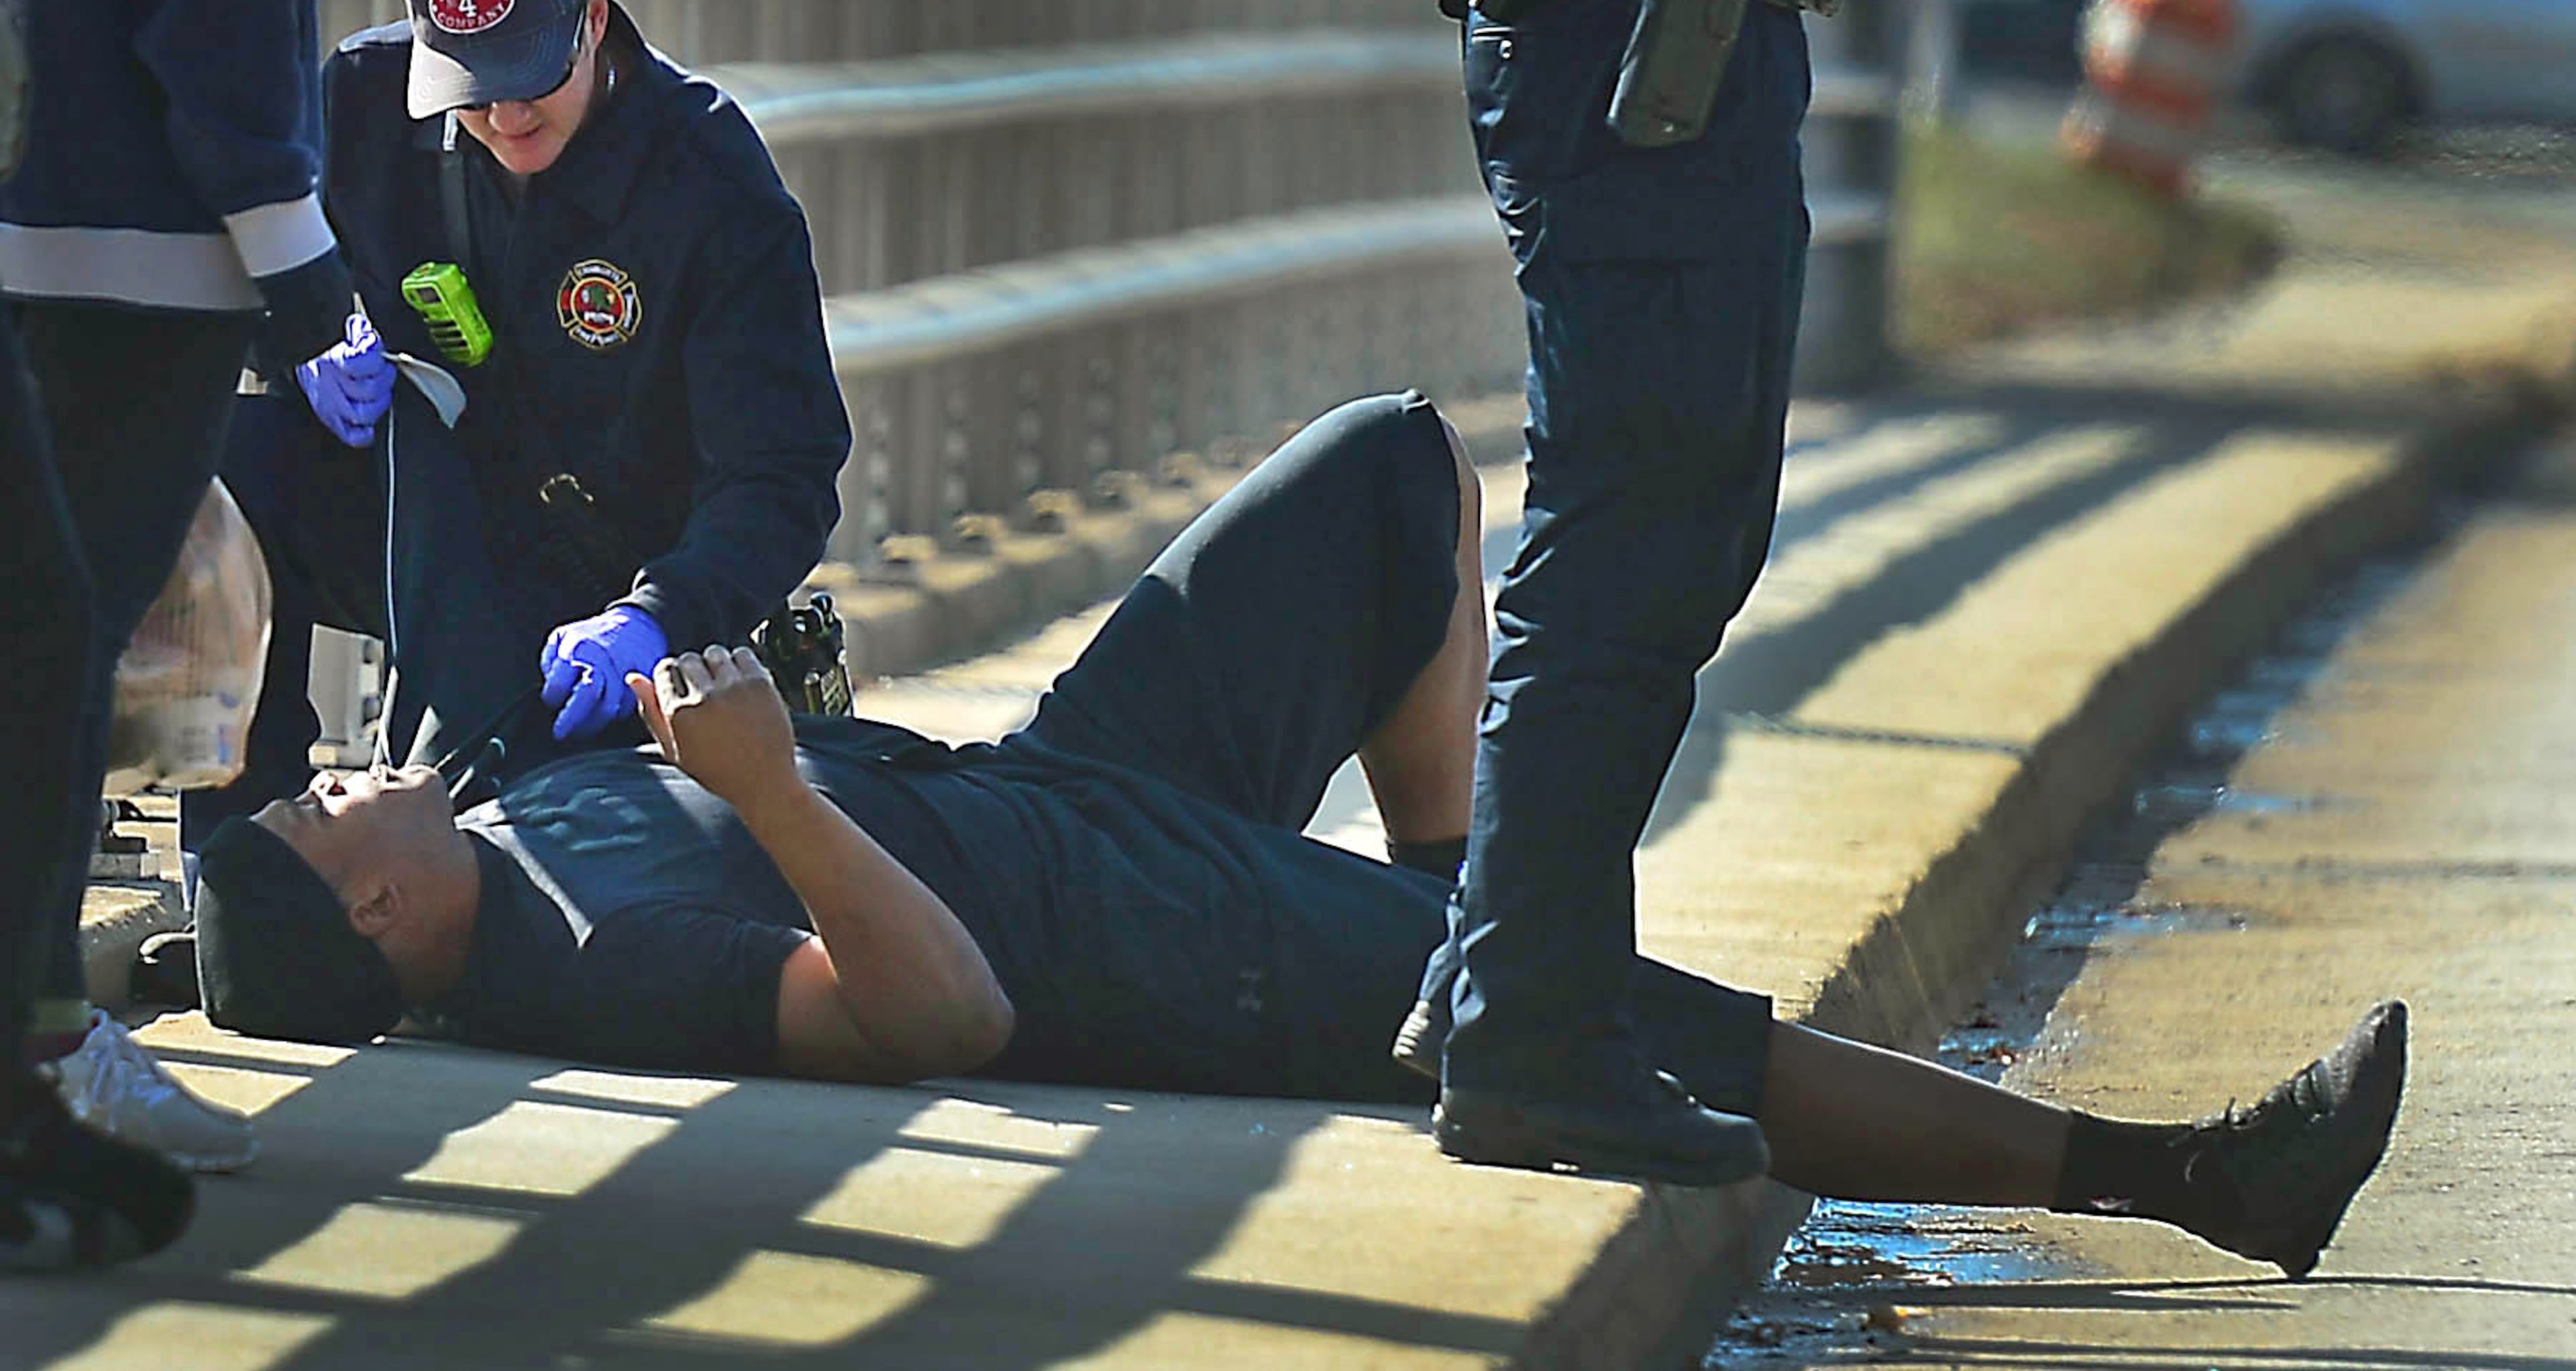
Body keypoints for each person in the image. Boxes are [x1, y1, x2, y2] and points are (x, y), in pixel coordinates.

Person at [193, 394, 2409, 1283]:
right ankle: (2192, 1174)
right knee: (1614, 1019)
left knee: (1378, 466)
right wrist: (774, 790)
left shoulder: (496, 787)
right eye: (312, 813)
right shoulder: (579, 961)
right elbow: (934, 1014)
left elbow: (385, 500)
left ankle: (1441, 904)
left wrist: (802, 728)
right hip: (1144, 935)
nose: (333, 776)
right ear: (369, 910)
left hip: (1064, 775)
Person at [174, 0, 853, 947]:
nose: (506, 116)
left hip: (616, 596)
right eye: (472, 91)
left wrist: (664, 613)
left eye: (534, 79)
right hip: (427, 530)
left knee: (539, 876)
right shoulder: (360, 107)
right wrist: (299, 340)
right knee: (220, 460)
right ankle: (237, 858)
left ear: (593, 21)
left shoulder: (706, 175)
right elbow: (236, 263)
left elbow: (786, 467)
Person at [1399, 0, 1873, 1182]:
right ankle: (1527, 1036)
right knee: (1631, 530)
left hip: (1671, 11)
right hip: (1634, 19)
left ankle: (1501, 976)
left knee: (1687, 526)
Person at [1, 0, 357, 1268]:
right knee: (48, 652)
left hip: (48, 216)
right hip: (137, 249)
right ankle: (39, 1040)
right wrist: (299, 261)